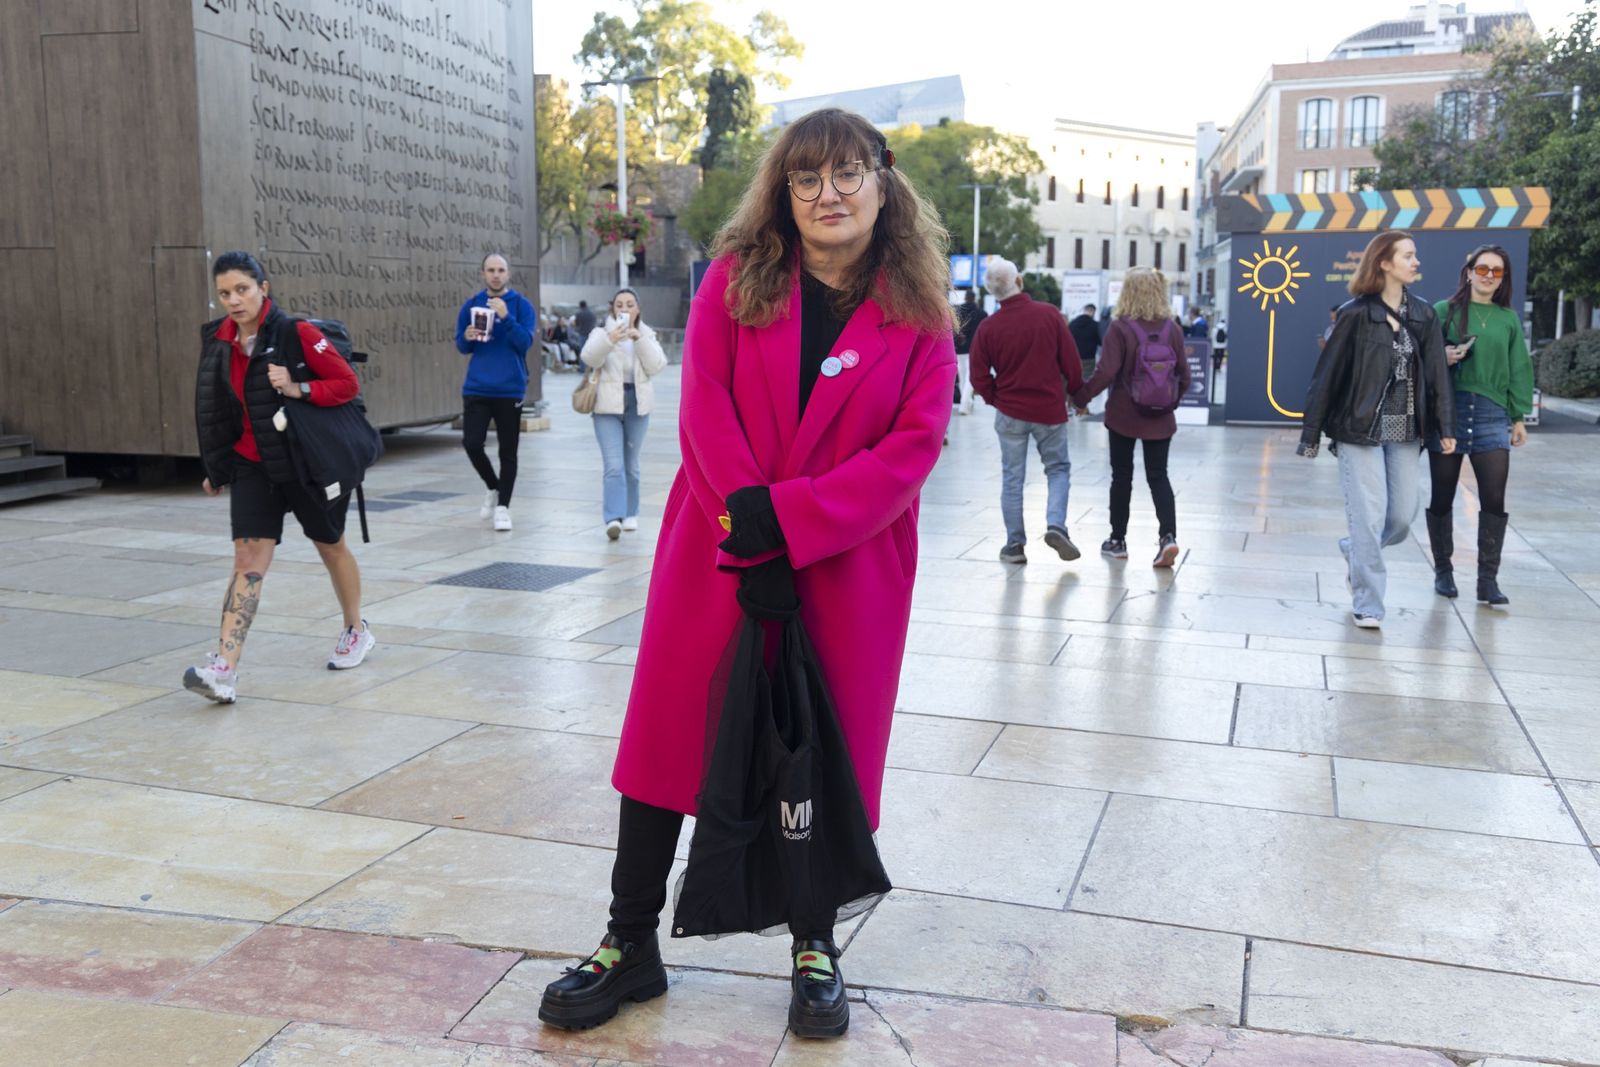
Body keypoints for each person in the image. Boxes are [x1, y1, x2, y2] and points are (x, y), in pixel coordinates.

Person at [539, 107, 955, 1039]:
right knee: (666, 741)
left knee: (822, 753)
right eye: (806, 179)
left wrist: (793, 524)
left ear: (882, 182)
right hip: (719, 555)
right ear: (784, 192)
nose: (827, 194)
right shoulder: (735, 281)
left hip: (847, 574)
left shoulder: (920, 315)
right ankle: (628, 942)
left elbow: (912, 447)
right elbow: (704, 413)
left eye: (847, 174)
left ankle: (815, 946)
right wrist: (752, 523)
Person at [187, 251, 375, 703]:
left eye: (242, 290)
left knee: (331, 545)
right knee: (247, 561)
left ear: (263, 289)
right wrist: (216, 468)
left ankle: (356, 628)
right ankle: (224, 670)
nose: (234, 300)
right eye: (224, 294)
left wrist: (297, 387)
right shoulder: (220, 341)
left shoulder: (298, 333)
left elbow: (347, 383)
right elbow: (217, 410)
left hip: (304, 462)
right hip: (253, 464)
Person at [1298, 231, 1455, 629]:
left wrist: (1444, 425)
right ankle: (1368, 602)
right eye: (1408, 255)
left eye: (1415, 255)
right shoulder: (1354, 314)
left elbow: (1437, 373)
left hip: (1406, 431)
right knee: (1367, 516)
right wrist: (1311, 433)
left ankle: (1355, 552)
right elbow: (1326, 376)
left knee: (1401, 518)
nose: (1416, 262)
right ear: (1384, 263)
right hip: (1358, 428)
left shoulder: (1424, 314)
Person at [1425, 244, 1533, 606]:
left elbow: (1519, 368)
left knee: (1494, 499)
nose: (1488, 276)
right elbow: (1422, 358)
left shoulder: (1508, 319)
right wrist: (1444, 355)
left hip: (1491, 415)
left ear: (1503, 279)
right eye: (1482, 268)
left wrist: (1518, 417)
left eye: (1496, 271)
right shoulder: (1445, 311)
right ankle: (1443, 571)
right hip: (1449, 413)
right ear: (1468, 271)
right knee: (1442, 495)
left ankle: (1487, 581)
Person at [1071, 267, 1191, 567]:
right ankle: (1168, 537)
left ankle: (1117, 540)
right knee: (1158, 476)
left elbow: (1106, 371)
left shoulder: (1120, 328)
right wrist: (1167, 402)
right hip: (1161, 419)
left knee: (1121, 477)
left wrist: (1081, 398)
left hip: (1123, 414)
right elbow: (1185, 376)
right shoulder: (1172, 329)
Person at [969, 258, 1084, 565]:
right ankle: (1056, 525)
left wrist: (997, 399)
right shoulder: (1048, 315)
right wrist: (1077, 394)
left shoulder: (988, 328)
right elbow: (1071, 364)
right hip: (1048, 410)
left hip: (1010, 412)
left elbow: (978, 376)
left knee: (1012, 478)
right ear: (1018, 282)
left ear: (993, 293)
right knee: (1058, 469)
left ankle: (1014, 545)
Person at [455, 253, 536, 532]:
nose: (496, 275)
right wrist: (465, 337)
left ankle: (503, 507)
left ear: (508, 274)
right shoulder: (471, 305)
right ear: (483, 274)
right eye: (490, 270)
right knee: (472, 444)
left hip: (510, 388)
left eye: (501, 270)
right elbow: (462, 346)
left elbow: (524, 342)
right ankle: (493, 486)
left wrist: (506, 317)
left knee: (508, 451)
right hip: (477, 386)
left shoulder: (521, 306)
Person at [579, 289, 668, 540]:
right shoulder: (601, 333)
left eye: (630, 304)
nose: (624, 309)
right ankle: (612, 518)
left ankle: (631, 512)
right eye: (619, 305)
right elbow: (588, 357)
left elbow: (657, 365)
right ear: (612, 309)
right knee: (613, 465)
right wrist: (610, 339)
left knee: (631, 466)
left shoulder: (646, 334)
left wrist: (638, 339)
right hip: (606, 406)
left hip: (637, 404)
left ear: (637, 309)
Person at [952, 289, 986, 414]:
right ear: (974, 298)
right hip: (975, 349)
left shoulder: (959, 311)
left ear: (966, 297)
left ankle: (964, 402)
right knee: (970, 377)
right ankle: (965, 404)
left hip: (960, 348)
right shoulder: (981, 313)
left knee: (962, 376)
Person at [1069, 303, 1102, 372]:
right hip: (1089, 358)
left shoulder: (1072, 323)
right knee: (1087, 380)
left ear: (1084, 311)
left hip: (1073, 357)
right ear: (1093, 312)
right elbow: (1100, 342)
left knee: (1074, 378)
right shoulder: (1096, 325)